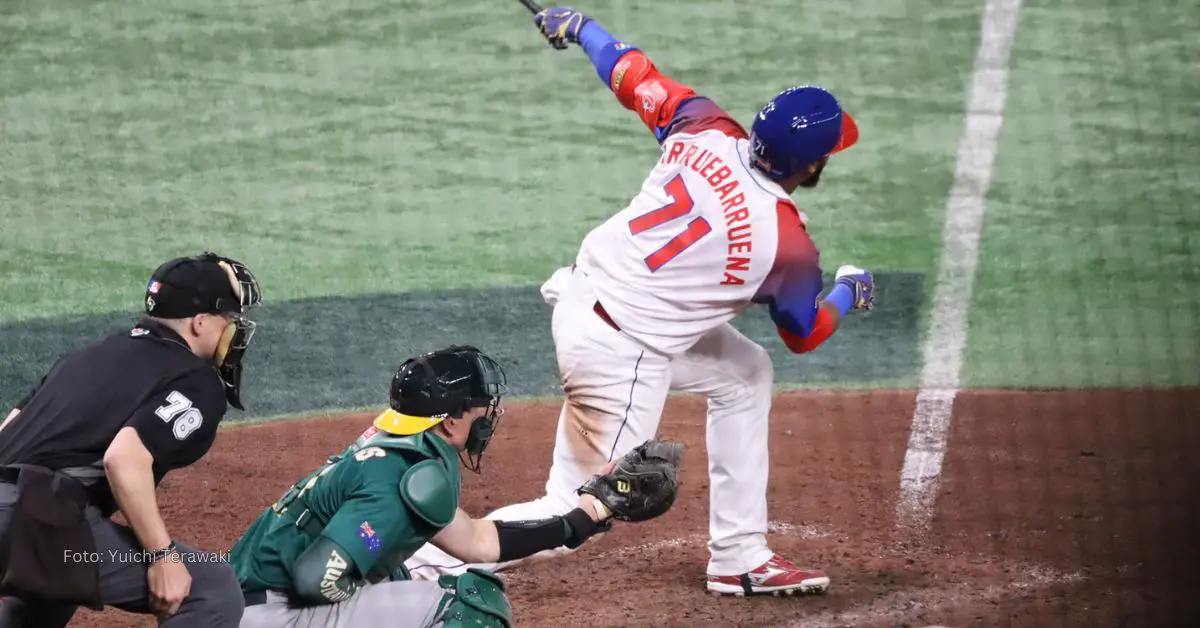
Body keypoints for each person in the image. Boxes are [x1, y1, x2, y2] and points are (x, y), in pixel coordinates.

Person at [404, 7, 876, 597]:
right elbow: (805, 332)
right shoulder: (786, 246)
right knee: (576, 505)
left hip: (590, 293)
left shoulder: (706, 127)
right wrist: (848, 289)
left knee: (745, 374)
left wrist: (580, 28)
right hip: (619, 350)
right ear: (812, 163)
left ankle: (739, 556)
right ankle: (415, 563)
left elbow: (630, 71)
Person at [230, 345, 681, 628]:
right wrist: (363, 593)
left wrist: (583, 518)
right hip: (271, 613)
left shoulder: (391, 443)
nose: (490, 416)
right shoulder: (415, 475)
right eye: (482, 408)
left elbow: (477, 543)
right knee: (473, 604)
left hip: (237, 600)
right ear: (450, 420)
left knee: (400, 572)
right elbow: (315, 580)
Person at [0, 252, 263, 626]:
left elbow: (9, 429)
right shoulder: (195, 379)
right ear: (200, 323)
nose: (234, 330)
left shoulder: (86, 357)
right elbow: (123, 458)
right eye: (230, 320)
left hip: (31, 522)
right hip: (28, 520)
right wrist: (162, 555)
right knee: (210, 586)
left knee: (53, 585)